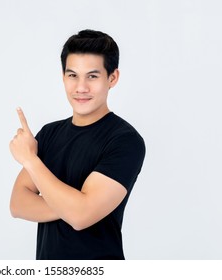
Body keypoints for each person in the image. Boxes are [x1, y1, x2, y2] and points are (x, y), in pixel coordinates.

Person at [9, 29, 146, 260]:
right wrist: (74, 205)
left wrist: (30, 160)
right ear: (63, 77)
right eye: (72, 75)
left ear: (112, 78)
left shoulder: (125, 140)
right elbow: (18, 204)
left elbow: (81, 217)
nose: (81, 87)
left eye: (92, 76)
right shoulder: (49, 134)